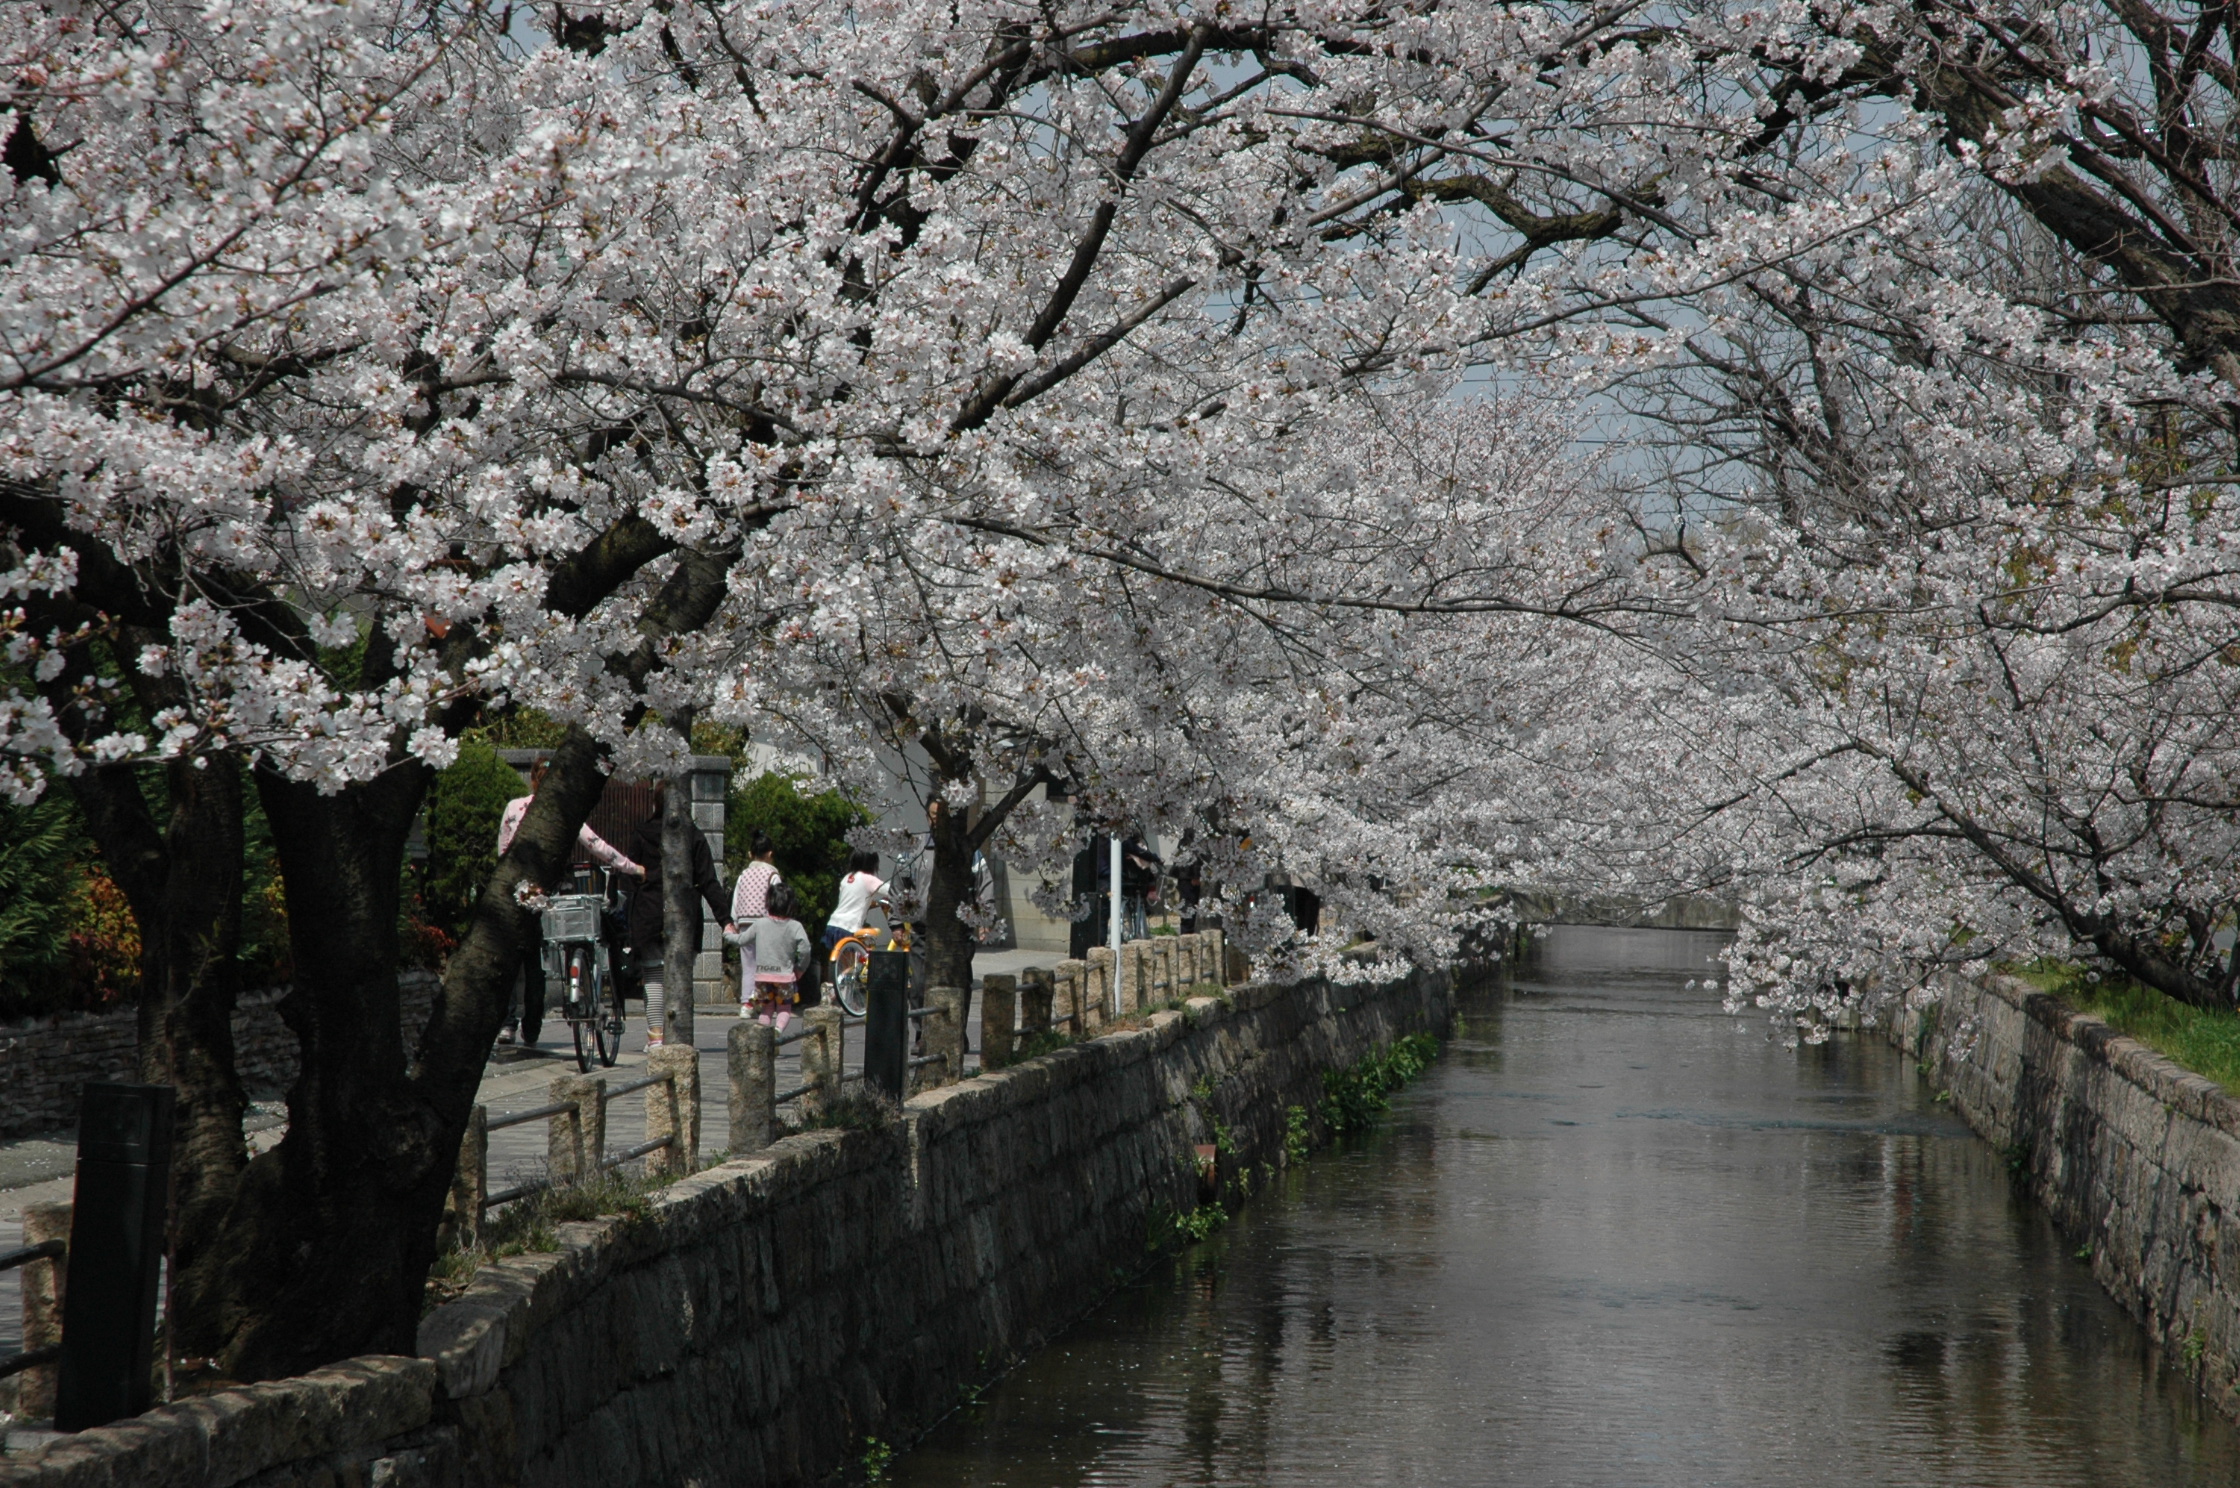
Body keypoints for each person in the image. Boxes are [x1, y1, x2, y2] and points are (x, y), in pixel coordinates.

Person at [496, 758, 644, 1047]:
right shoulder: (562, 811)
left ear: (534, 780)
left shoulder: (514, 808)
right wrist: (632, 867)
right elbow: (596, 845)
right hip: (547, 894)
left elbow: (502, 850)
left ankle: (509, 1024)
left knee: (512, 966)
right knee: (537, 964)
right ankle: (532, 1027)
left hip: (514, 893)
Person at [627, 782, 734, 1048]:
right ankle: (677, 1035)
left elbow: (627, 878)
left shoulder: (641, 833)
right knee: (679, 977)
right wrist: (726, 921)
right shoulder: (693, 836)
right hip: (685, 914)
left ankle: (655, 1036)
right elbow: (709, 881)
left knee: (653, 976)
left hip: (648, 913)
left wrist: (624, 922)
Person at [738, 881, 812, 1030]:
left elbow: (741, 940)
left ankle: (762, 1036)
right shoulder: (795, 925)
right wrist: (800, 968)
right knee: (784, 1009)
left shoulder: (760, 924)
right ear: (791, 904)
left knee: (766, 1009)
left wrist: (727, 932)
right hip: (785, 977)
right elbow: (805, 949)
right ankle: (777, 1031)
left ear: (769, 902)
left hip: (762, 978)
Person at [824, 849, 887, 959]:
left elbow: (852, 901)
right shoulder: (868, 879)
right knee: (851, 968)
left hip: (833, 925)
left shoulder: (847, 878)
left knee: (844, 965)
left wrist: (875, 903)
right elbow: (892, 891)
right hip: (849, 927)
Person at [731, 830, 783, 925]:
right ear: (770, 854)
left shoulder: (743, 876)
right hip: (765, 926)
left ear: (750, 854)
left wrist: (735, 924)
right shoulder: (772, 876)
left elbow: (735, 903)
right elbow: (778, 905)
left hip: (743, 924)